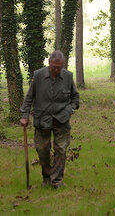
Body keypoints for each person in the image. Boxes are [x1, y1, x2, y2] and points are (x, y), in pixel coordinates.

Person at [20, 50, 79, 188]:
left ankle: (56, 180)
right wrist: (24, 115)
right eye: (54, 67)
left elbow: (75, 97)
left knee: (61, 149)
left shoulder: (68, 77)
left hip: (62, 119)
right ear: (49, 63)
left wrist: (70, 109)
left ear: (63, 65)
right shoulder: (38, 75)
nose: (56, 70)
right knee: (42, 149)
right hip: (42, 118)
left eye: (59, 67)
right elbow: (29, 97)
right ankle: (46, 177)